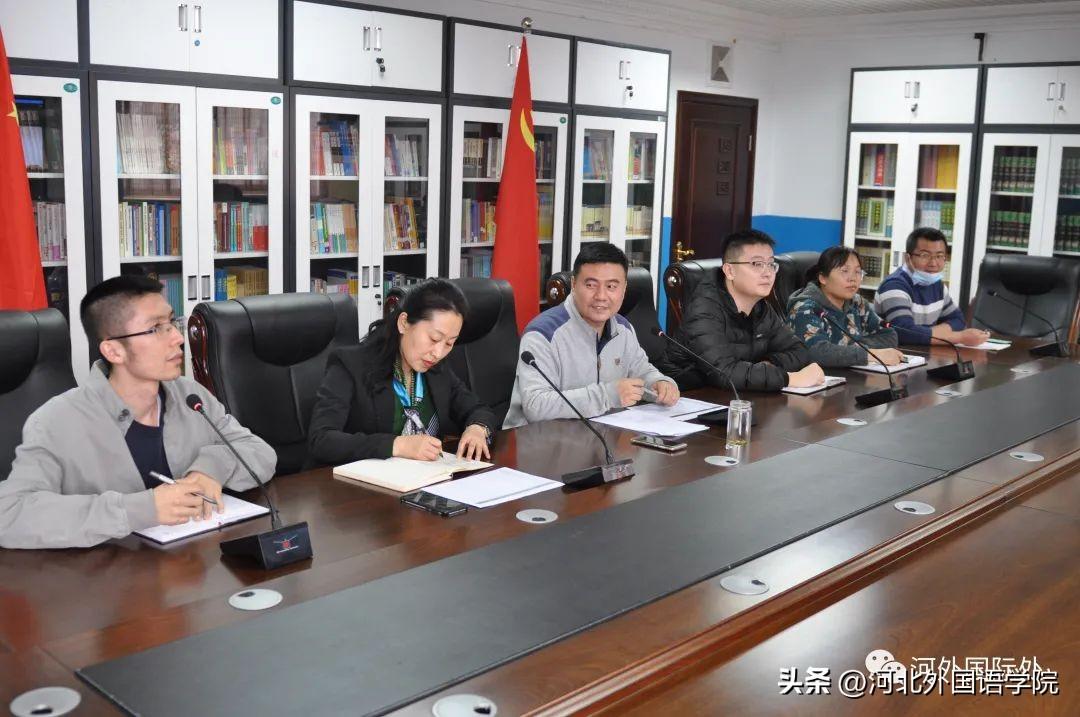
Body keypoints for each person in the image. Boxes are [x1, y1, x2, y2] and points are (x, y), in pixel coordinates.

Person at [0, 276, 277, 550]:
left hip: (194, 565)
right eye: (156, 329)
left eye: (172, 323)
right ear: (113, 351)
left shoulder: (190, 396)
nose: (178, 338)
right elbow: (9, 513)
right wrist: (141, 509)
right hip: (105, 573)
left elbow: (261, 453)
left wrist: (210, 469)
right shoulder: (56, 420)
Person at [308, 278, 495, 466]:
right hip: (354, 481)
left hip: (423, 477)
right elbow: (321, 440)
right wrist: (397, 445)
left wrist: (477, 429)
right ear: (404, 323)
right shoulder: (350, 365)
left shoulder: (437, 368)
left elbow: (477, 408)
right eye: (434, 338)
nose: (438, 353)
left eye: (449, 343)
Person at [503, 243, 679, 428]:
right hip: (537, 439)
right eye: (591, 285)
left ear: (624, 289)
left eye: (611, 286)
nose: (601, 296)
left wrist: (659, 382)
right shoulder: (543, 334)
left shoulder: (623, 328)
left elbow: (641, 370)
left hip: (598, 435)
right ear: (574, 285)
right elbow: (536, 406)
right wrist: (607, 396)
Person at [659, 229, 823, 392]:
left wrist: (767, 366)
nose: (768, 273)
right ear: (729, 271)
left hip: (733, 394)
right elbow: (724, 373)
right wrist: (789, 379)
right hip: (684, 395)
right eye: (757, 264)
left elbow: (799, 351)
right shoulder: (704, 309)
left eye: (771, 264)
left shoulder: (761, 307)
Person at [787, 246, 903, 368]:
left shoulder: (857, 303)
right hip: (818, 377)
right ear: (823, 278)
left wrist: (851, 347)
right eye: (844, 271)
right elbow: (815, 353)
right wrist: (869, 354)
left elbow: (889, 335)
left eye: (857, 272)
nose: (853, 278)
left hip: (853, 374)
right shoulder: (805, 308)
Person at [875, 227, 990, 346]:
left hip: (925, 351)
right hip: (895, 354)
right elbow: (904, 333)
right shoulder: (894, 286)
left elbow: (958, 320)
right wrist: (960, 337)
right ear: (908, 258)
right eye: (925, 255)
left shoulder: (936, 284)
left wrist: (928, 334)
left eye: (939, 256)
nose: (933, 263)